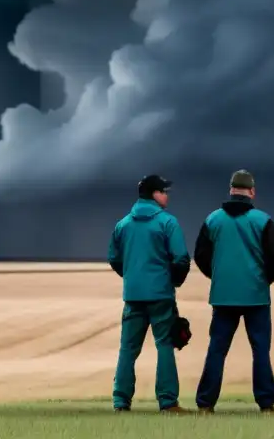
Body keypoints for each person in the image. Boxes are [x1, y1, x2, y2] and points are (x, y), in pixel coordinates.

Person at [193, 169, 274, 413]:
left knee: (217, 349)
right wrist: (264, 281)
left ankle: (205, 403)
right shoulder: (263, 220)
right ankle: (266, 404)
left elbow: (201, 255)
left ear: (231, 190)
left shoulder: (212, 220)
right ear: (252, 192)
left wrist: (219, 276)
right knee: (260, 349)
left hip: (223, 296)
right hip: (256, 295)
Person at [108, 174, 192, 414]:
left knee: (127, 348)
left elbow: (114, 258)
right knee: (165, 345)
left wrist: (131, 276)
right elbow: (181, 258)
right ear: (154, 194)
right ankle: (167, 402)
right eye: (164, 191)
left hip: (133, 295)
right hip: (161, 295)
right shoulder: (168, 222)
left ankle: (120, 402)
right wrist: (173, 281)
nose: (166, 195)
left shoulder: (123, 224)